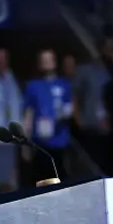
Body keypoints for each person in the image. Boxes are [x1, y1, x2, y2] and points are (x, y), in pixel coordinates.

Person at [22, 49, 73, 184]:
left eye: (49, 59)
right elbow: (28, 114)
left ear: (55, 62)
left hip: (59, 142)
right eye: (43, 60)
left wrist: (55, 122)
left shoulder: (64, 85)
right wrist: (25, 143)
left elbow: (69, 110)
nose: (47, 63)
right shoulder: (33, 86)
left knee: (61, 181)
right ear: (39, 64)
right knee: (41, 181)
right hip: (40, 144)